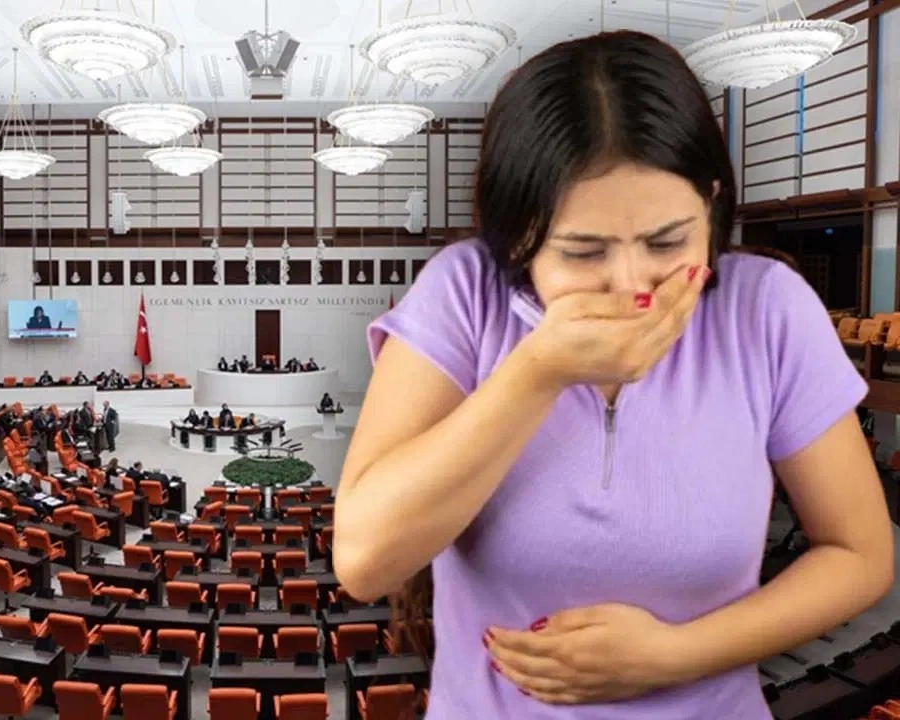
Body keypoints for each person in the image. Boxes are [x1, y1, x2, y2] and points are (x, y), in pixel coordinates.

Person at [334, 31, 892, 720]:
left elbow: (860, 553)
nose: (633, 285)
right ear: (521, 236)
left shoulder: (767, 308)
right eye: (583, 252)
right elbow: (366, 561)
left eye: (667, 241)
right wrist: (537, 370)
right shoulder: (464, 292)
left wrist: (672, 656)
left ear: (711, 204)